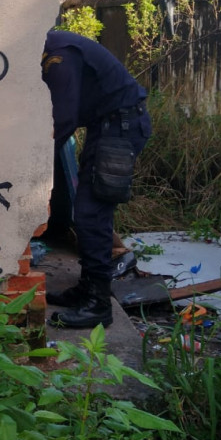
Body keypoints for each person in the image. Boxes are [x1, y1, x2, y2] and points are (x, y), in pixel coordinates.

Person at [39, 28, 151, 328]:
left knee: (91, 212)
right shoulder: (54, 47)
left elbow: (64, 118)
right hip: (110, 125)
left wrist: (34, 163)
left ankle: (98, 304)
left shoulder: (58, 56)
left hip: (121, 127)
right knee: (89, 212)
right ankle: (88, 289)